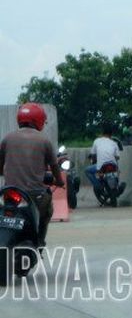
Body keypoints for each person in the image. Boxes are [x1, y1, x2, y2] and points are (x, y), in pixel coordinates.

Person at [0, 103, 63, 247]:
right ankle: (39, 241)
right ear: (39, 120)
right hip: (35, 195)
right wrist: (59, 181)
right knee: (46, 212)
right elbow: (54, 166)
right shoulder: (44, 140)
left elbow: (0, 168)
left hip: (9, 193)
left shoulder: (7, 138)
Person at [86, 123, 124, 194]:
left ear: (102, 133)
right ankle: (117, 185)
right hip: (113, 166)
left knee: (87, 170)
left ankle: (98, 186)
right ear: (111, 134)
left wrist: (94, 159)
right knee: (116, 172)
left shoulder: (97, 141)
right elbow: (117, 157)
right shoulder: (114, 143)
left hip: (101, 167)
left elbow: (93, 154)